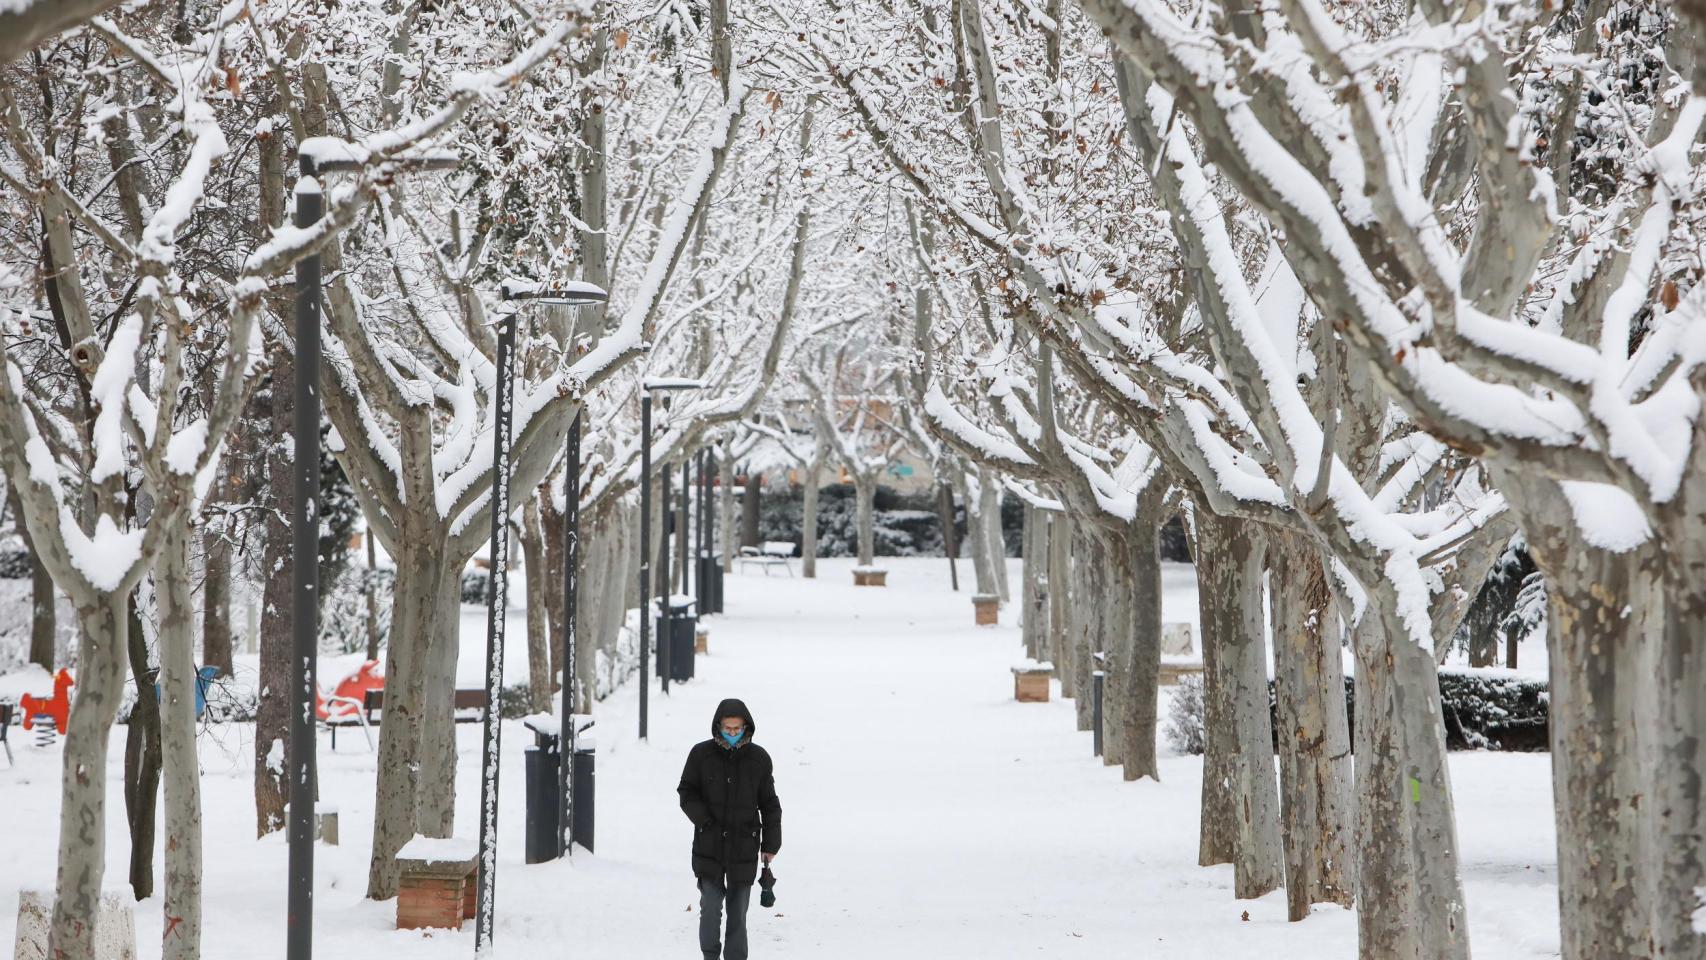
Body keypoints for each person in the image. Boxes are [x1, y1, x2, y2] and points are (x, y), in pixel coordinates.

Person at [678, 698, 782, 960]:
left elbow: (770, 804)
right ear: (718, 727)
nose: (733, 734)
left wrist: (771, 845)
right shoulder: (700, 755)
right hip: (709, 846)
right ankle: (710, 955)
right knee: (711, 907)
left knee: (738, 913)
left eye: (737, 729)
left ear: (746, 727)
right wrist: (703, 820)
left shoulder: (758, 759)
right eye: (728, 728)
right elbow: (687, 791)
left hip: (744, 847)